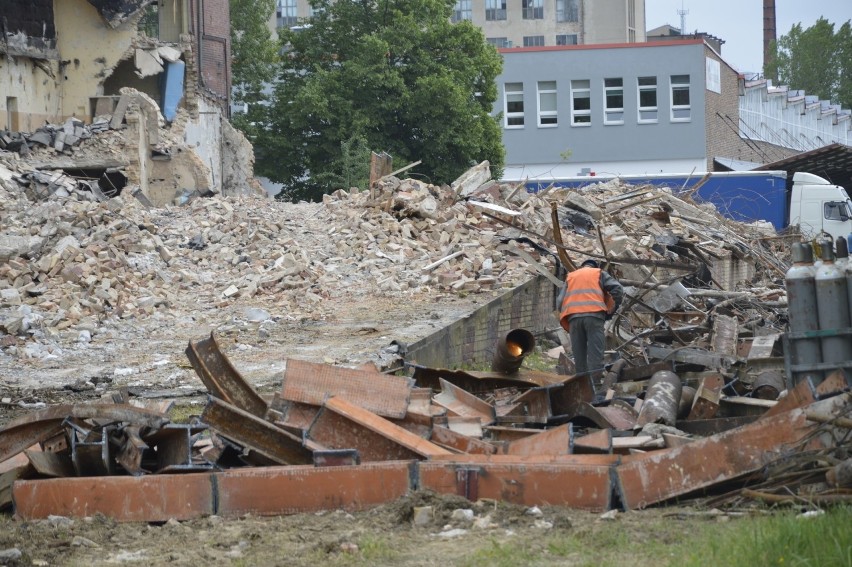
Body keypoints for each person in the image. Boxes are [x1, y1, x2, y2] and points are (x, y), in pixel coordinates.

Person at [558, 258, 624, 381]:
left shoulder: (571, 276)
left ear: (582, 266)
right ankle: (596, 386)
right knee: (595, 354)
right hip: (594, 317)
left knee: (579, 355)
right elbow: (618, 289)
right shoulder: (598, 273)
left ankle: (582, 386)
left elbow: (560, 301)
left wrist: (568, 313)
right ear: (594, 266)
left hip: (574, 318)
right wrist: (611, 310)